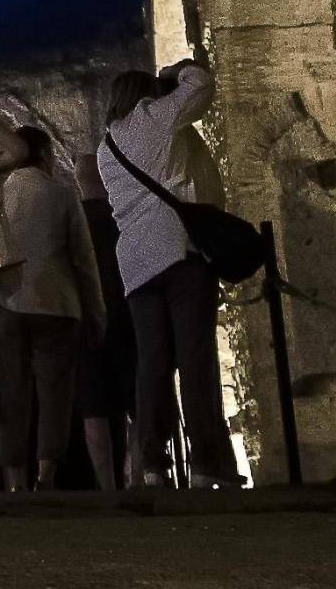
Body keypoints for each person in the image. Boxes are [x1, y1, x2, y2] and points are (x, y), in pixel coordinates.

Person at [97, 58, 238, 488]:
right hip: (178, 252)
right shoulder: (152, 118)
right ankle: (206, 464)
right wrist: (174, 72)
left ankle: (153, 463)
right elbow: (201, 86)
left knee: (153, 363)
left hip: (136, 264)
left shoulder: (107, 148)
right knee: (195, 359)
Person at [0, 123, 110, 490]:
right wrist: (96, 312)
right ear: (46, 156)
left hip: (7, 302)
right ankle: (47, 474)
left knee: (11, 395)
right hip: (58, 305)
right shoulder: (63, 195)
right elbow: (84, 260)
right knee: (55, 394)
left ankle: (15, 479)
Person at [68, 129, 134, 490]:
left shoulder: (74, 222)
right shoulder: (124, 215)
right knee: (132, 398)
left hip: (86, 321)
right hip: (126, 314)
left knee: (93, 405)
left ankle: (106, 483)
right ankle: (142, 474)